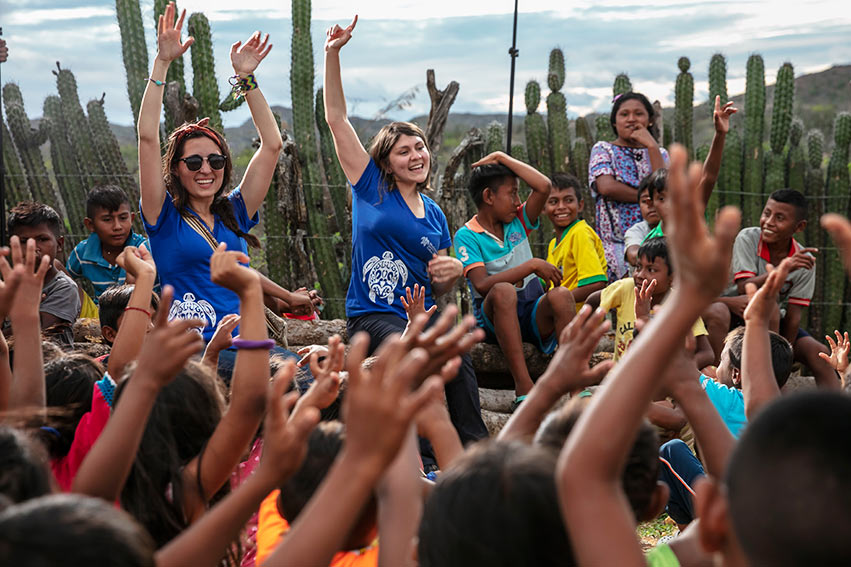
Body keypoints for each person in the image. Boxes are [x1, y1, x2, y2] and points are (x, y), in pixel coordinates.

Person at [322, 15, 487, 445]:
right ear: (387, 161)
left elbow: (440, 278)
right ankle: (416, 458)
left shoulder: (434, 214)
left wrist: (449, 273)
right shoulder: (371, 188)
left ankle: (473, 447)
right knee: (403, 349)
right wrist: (332, 54)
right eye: (403, 151)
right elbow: (337, 119)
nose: (415, 155)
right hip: (375, 317)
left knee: (454, 348)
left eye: (419, 147)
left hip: (422, 313)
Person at [137, 3, 283, 344]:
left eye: (215, 162)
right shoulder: (163, 216)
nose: (206, 169)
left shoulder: (235, 212)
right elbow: (146, 137)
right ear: (176, 169)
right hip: (190, 347)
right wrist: (162, 63)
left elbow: (272, 145)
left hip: (246, 340)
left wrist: (246, 79)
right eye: (194, 162)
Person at [454, 152, 575, 407]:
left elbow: (543, 186)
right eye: (512, 194)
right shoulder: (467, 236)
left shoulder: (518, 222)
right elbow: (483, 285)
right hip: (494, 322)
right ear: (488, 197)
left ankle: (573, 382)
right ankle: (523, 385)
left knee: (562, 296)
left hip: (530, 314)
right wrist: (531, 265)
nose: (518, 201)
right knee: (503, 291)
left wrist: (502, 158)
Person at [719, 189, 836, 388]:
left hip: (776, 326)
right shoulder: (748, 238)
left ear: (799, 226)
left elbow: (793, 316)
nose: (769, 222)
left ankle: (837, 413)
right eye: (767, 213)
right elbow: (743, 288)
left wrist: (785, 354)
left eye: (780, 218)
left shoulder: (805, 261)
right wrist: (783, 269)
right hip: (736, 314)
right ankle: (728, 383)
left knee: (820, 354)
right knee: (769, 304)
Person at [586, 237, 714, 368]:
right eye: (638, 267)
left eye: (651, 270)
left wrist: (674, 371)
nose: (640, 275)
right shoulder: (625, 289)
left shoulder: (681, 305)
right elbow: (593, 300)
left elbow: (707, 353)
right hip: (621, 378)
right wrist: (586, 340)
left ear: (673, 277)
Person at [588, 92, 668, 280]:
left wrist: (652, 146)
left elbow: (665, 185)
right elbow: (606, 187)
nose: (631, 119)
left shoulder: (660, 153)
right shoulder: (604, 149)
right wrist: (652, 197)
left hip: (657, 237)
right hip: (614, 242)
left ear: (649, 120)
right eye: (624, 114)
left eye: (638, 114)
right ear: (614, 122)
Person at [7, 201, 81, 346]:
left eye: (42, 239)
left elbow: (41, 334)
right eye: (24, 241)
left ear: (59, 244)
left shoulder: (64, 288)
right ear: (12, 245)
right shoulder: (7, 287)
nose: (33, 247)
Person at [66, 185, 150, 305]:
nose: (117, 226)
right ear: (90, 224)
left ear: (131, 218)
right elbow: (65, 281)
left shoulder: (144, 250)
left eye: (123, 218)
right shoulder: (82, 252)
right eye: (107, 220)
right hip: (100, 318)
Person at [543, 172, 607, 307]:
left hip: (581, 321)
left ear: (580, 205)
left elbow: (595, 284)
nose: (561, 207)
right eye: (554, 202)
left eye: (568, 200)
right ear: (544, 208)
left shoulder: (580, 233)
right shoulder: (553, 244)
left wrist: (555, 304)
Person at [623, 173, 661, 270]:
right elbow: (633, 256)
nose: (650, 205)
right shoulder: (636, 231)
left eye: (659, 199)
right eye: (645, 201)